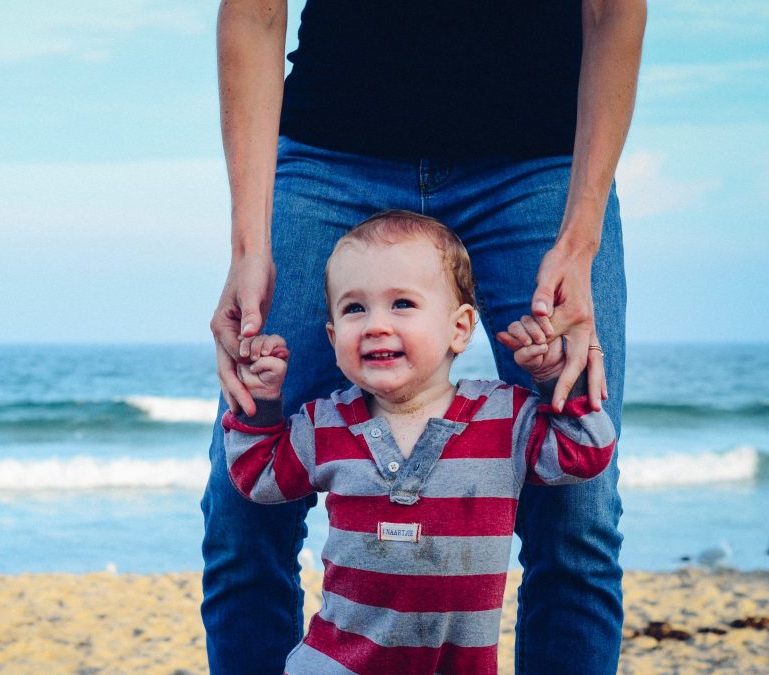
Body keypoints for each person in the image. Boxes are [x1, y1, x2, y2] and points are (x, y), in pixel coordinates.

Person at [203, 1, 645, 673]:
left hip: (540, 161)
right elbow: (256, 12)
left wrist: (579, 237)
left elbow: (612, 11)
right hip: (329, 155)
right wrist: (248, 245)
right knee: (241, 517)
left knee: (579, 516)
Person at [221, 212, 616, 674]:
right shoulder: (322, 424)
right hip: (335, 664)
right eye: (354, 309)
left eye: (402, 304)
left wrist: (552, 382)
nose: (375, 325)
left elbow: (586, 454)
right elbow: (259, 479)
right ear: (332, 337)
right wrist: (265, 405)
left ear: (460, 328)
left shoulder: (506, 418)